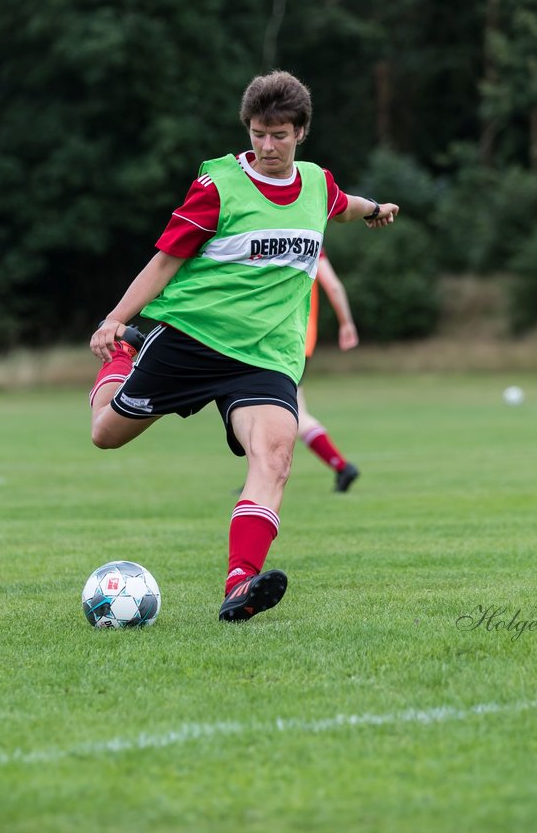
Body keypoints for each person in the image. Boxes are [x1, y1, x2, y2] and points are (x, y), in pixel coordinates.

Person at [87, 70, 398, 622]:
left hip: (264, 357)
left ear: (301, 132)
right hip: (192, 339)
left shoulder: (317, 185)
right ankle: (123, 356)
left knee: (276, 457)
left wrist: (374, 209)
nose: (266, 146)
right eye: (258, 133)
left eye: (279, 135)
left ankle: (240, 585)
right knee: (106, 435)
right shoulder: (218, 186)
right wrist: (114, 321)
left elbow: (343, 203)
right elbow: (164, 261)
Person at [298, 250, 361, 492]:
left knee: (290, 415)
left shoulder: (267, 233)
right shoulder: (310, 238)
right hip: (302, 342)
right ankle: (341, 467)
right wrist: (346, 323)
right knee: (284, 412)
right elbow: (333, 286)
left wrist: (346, 324)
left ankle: (342, 466)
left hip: (276, 342)